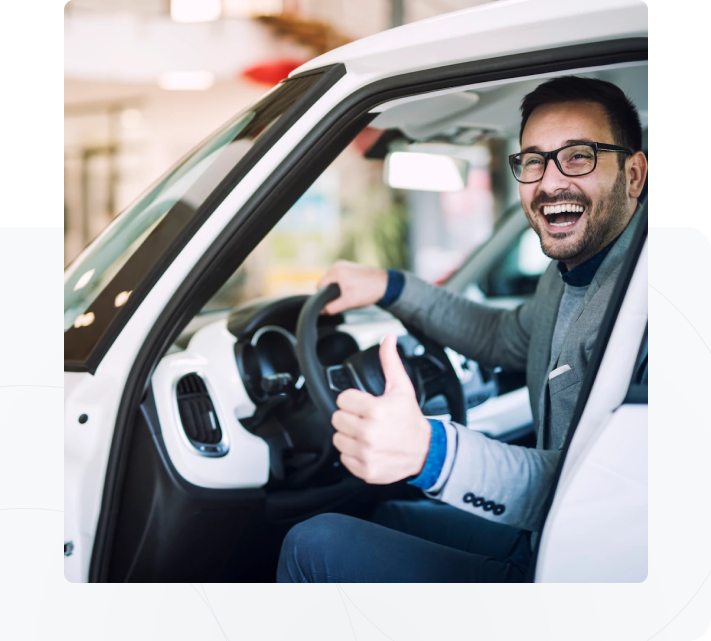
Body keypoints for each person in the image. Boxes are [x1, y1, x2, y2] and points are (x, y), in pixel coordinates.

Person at [277, 76, 648, 583]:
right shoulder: (571, 275)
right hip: (543, 535)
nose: (550, 182)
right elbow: (502, 337)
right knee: (384, 516)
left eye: (579, 156)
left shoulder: (656, 299)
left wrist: (431, 450)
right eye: (534, 161)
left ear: (633, 174)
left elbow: (595, 492)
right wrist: (391, 286)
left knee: (311, 545)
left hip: (587, 575)